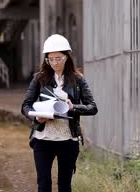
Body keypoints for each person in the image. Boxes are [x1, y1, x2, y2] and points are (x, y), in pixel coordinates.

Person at [21, 34, 98, 192]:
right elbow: (26, 106)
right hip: (43, 139)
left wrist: (73, 107)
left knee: (64, 185)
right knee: (43, 185)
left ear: (66, 57)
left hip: (68, 139)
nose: (54, 63)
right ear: (46, 59)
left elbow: (92, 107)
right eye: (51, 59)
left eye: (58, 58)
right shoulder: (39, 78)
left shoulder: (78, 80)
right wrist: (35, 116)